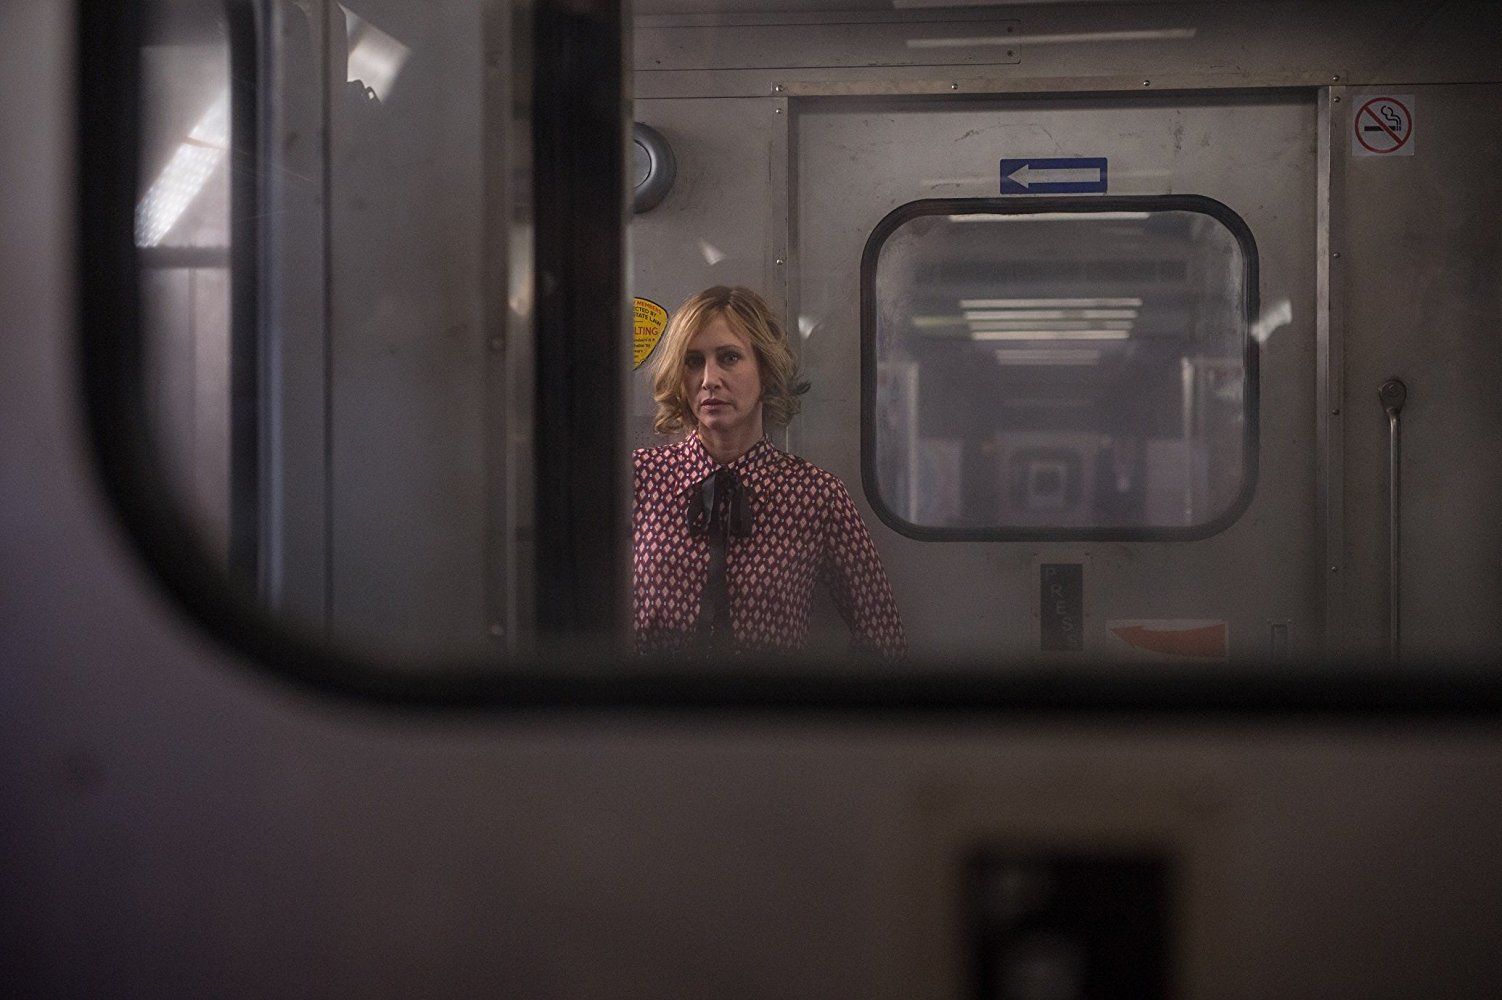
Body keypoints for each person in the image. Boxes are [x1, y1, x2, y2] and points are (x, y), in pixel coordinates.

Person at [633, 285, 905, 658]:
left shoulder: (814, 495)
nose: (709, 379)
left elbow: (882, 634)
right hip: (655, 711)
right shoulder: (640, 478)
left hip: (766, 712)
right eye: (693, 361)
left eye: (728, 358)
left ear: (765, 368)